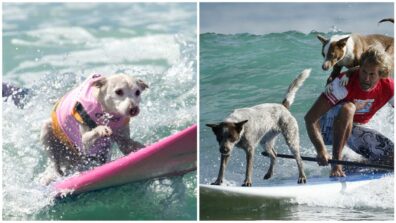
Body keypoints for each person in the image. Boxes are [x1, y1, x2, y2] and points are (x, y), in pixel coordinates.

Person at [305, 45, 394, 177]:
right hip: (327, 129)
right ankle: (337, 164)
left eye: (372, 74)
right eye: (363, 71)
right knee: (349, 108)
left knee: (392, 159)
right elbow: (310, 119)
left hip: (352, 129)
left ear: (381, 74)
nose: (366, 78)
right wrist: (320, 149)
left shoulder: (389, 87)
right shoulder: (343, 84)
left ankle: (350, 165)